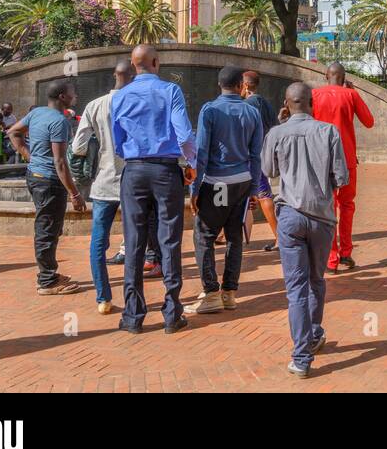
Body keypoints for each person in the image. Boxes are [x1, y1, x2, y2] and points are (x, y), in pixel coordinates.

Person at [263, 81, 349, 378]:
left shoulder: (276, 133)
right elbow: (341, 178)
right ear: (311, 102)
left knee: (296, 289)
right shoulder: (328, 132)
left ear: (286, 104)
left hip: (289, 215)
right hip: (322, 217)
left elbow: (269, 170)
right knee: (316, 280)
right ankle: (312, 335)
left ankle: (301, 357)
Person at [111, 44, 196, 334]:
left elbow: (117, 139)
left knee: (133, 241)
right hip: (164, 170)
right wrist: (191, 162)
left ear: (135, 65)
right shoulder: (170, 91)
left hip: (133, 170)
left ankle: (133, 316)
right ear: (156, 62)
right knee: (169, 238)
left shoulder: (120, 96)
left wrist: (133, 154)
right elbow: (183, 133)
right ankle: (172, 312)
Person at [185, 66, 264, 316]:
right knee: (234, 236)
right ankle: (229, 293)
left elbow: (202, 153)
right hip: (242, 181)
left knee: (204, 236)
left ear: (219, 84)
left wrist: (195, 190)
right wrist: (253, 189)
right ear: (241, 84)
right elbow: (255, 155)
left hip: (218, 183)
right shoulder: (252, 113)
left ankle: (211, 293)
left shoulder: (210, 110)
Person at [7, 80, 84, 295]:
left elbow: (13, 132)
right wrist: (75, 194)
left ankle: (49, 272)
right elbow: (60, 163)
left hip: (34, 176)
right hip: (49, 181)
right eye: (72, 93)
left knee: (50, 227)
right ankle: (47, 281)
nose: (75, 96)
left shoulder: (37, 113)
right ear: (62, 97)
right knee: (47, 230)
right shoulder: (60, 122)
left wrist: (29, 156)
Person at [73, 59, 135, 314]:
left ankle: (103, 298)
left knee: (98, 242)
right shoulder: (137, 103)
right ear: (134, 76)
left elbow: (78, 147)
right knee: (134, 240)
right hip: (133, 182)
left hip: (103, 182)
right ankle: (134, 297)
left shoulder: (95, 105)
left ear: (114, 75)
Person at [311, 62, 375, 272]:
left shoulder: (314, 94)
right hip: (346, 159)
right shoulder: (350, 95)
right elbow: (369, 121)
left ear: (325, 76)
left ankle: (331, 258)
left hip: (322, 160)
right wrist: (353, 92)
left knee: (328, 207)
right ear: (344, 77)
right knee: (346, 205)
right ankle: (345, 253)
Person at [241, 70, 281, 251]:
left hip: (252, 155)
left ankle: (280, 237)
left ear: (246, 85)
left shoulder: (248, 105)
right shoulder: (266, 103)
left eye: (240, 84)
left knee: (264, 194)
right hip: (265, 153)